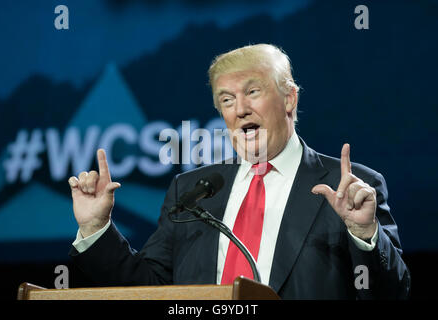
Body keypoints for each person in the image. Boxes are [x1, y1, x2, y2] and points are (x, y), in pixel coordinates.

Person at [68, 44, 410, 299]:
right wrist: (96, 228)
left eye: (253, 92)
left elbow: (392, 292)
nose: (240, 109)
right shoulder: (192, 191)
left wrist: (364, 234)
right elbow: (149, 289)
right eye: (227, 100)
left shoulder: (347, 188)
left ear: (289, 98)